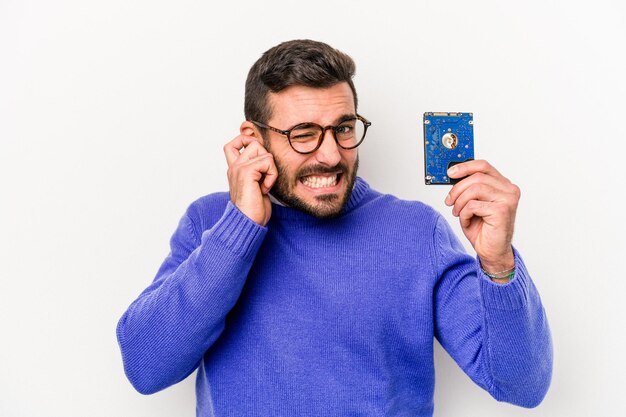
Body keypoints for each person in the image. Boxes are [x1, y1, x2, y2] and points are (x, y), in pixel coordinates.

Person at [116, 39, 552, 416]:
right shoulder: (210, 223)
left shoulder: (417, 232)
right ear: (253, 138)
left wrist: (498, 262)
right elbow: (146, 366)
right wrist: (241, 226)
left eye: (343, 128)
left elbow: (521, 386)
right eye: (303, 134)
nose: (330, 155)